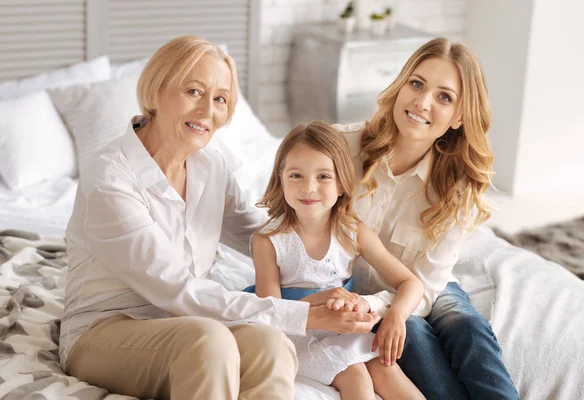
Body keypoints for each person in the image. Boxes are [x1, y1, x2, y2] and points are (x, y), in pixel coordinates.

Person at [59, 36, 380, 400]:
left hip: (187, 324)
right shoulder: (110, 178)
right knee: (210, 340)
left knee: (271, 343)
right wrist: (304, 316)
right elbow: (176, 288)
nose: (207, 110)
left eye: (220, 99)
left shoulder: (211, 165)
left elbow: (262, 238)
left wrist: (325, 264)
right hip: (104, 331)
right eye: (194, 91)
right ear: (156, 92)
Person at [328, 37, 520, 399]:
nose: (422, 102)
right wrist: (382, 310)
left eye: (444, 97)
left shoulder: (456, 188)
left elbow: (427, 288)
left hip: (423, 289)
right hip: (360, 296)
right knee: (411, 335)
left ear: (459, 117)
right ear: (401, 86)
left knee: (468, 327)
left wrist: (388, 306)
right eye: (416, 84)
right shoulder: (340, 148)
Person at [251, 121, 425, 400]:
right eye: (296, 175)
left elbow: (410, 282)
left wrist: (396, 316)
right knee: (356, 376)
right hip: (298, 334)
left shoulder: (352, 232)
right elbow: (269, 313)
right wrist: (321, 304)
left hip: (344, 328)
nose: (309, 188)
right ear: (280, 178)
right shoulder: (269, 240)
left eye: (323, 177)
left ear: (342, 183)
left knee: (387, 370)